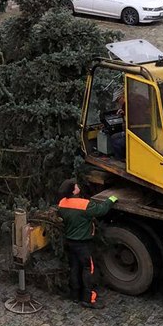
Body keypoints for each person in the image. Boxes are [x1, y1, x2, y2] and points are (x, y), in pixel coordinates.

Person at [57, 178, 118, 309]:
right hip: (83, 244)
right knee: (88, 270)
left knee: (74, 268)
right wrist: (111, 200)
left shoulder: (62, 204)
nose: (78, 186)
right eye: (76, 185)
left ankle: (74, 295)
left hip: (70, 242)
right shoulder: (84, 205)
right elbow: (101, 210)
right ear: (74, 191)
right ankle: (88, 299)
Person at [110, 87, 126, 160]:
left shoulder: (129, 105)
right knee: (113, 137)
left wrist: (124, 113)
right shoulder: (124, 106)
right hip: (127, 132)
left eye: (117, 100)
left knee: (117, 142)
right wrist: (122, 113)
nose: (118, 103)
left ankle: (120, 159)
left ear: (123, 96)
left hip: (133, 133)